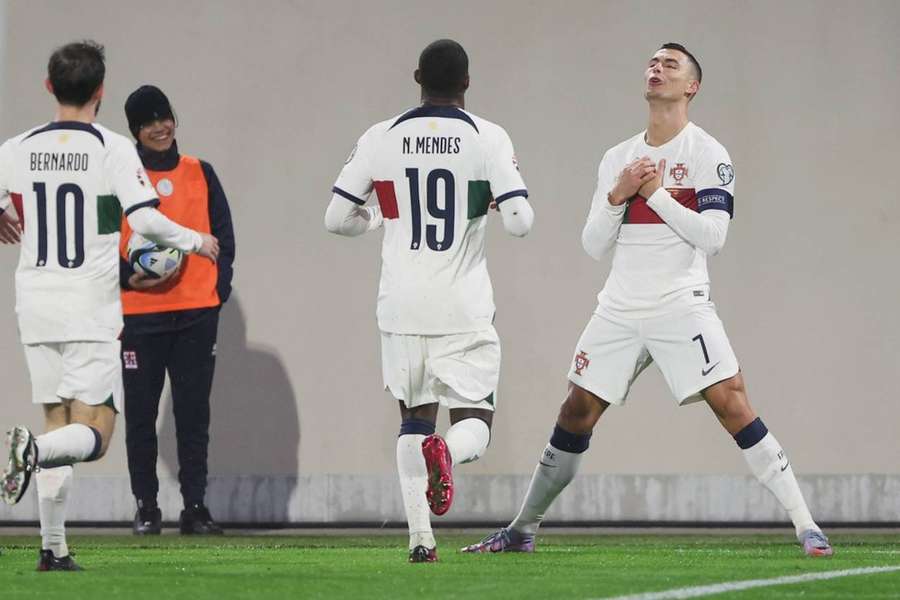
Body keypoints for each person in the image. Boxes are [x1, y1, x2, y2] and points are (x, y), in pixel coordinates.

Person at [463, 43, 833, 558]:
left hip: (681, 304)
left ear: (691, 87)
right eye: (654, 62)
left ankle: (806, 526)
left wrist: (655, 194)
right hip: (618, 307)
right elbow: (593, 245)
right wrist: (618, 195)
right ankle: (522, 530)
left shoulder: (708, 154)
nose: (657, 69)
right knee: (576, 411)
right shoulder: (617, 158)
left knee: (732, 402)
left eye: (671, 65)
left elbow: (713, 238)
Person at [0, 41, 218, 570]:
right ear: (101, 92)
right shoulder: (111, 149)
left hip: (35, 306)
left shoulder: (15, 148)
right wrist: (196, 242)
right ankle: (29, 453)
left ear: (50, 87)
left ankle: (53, 547)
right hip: (89, 308)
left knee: (58, 422)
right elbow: (144, 221)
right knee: (93, 436)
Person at [326, 39, 534, 562]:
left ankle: (421, 540)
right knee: (474, 426)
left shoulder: (381, 136)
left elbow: (336, 219)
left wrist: (378, 219)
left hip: (400, 306)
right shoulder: (488, 137)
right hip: (461, 304)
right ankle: (448, 452)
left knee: (413, 420)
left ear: (417, 76)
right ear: (467, 82)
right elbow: (521, 222)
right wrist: (488, 201)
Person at [118, 85, 236, 535]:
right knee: (141, 417)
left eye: (164, 116)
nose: (159, 127)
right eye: (148, 121)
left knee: (192, 415)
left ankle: (195, 506)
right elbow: (105, 242)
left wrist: (217, 291)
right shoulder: (122, 179)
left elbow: (224, 236)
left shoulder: (200, 172)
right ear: (135, 131)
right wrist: (127, 278)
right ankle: (146, 506)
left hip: (196, 316)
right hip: (139, 317)